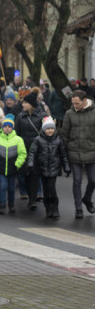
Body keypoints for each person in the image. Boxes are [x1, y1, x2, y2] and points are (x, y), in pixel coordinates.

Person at [60, 89, 95, 218]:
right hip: (74, 151)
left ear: (85, 101)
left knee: (93, 180)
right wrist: (64, 153)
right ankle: (78, 208)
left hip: (92, 151)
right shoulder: (69, 114)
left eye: (77, 103)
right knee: (77, 181)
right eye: (73, 103)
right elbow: (65, 134)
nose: (75, 106)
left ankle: (87, 198)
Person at [26, 117, 69, 219]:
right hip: (42, 168)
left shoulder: (59, 140)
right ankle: (48, 208)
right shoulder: (38, 140)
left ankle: (55, 208)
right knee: (45, 189)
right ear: (43, 129)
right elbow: (32, 153)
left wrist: (66, 166)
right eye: (47, 129)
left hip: (54, 168)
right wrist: (31, 163)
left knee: (51, 187)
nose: (50, 130)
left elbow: (63, 155)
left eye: (52, 128)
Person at [0, 114, 27, 214]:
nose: (7, 128)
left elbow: (22, 154)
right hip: (1, 168)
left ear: (12, 128)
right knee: (2, 186)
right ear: (2, 127)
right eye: (5, 126)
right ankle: (2, 205)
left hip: (13, 168)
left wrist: (17, 164)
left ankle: (11, 204)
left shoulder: (18, 139)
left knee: (11, 188)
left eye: (9, 127)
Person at [16, 90, 48, 209]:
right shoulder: (20, 116)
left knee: (34, 174)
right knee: (25, 174)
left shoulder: (42, 115)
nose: (23, 105)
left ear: (31, 104)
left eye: (25, 103)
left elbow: (46, 132)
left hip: (37, 150)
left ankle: (32, 200)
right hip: (23, 150)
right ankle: (30, 195)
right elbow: (17, 133)